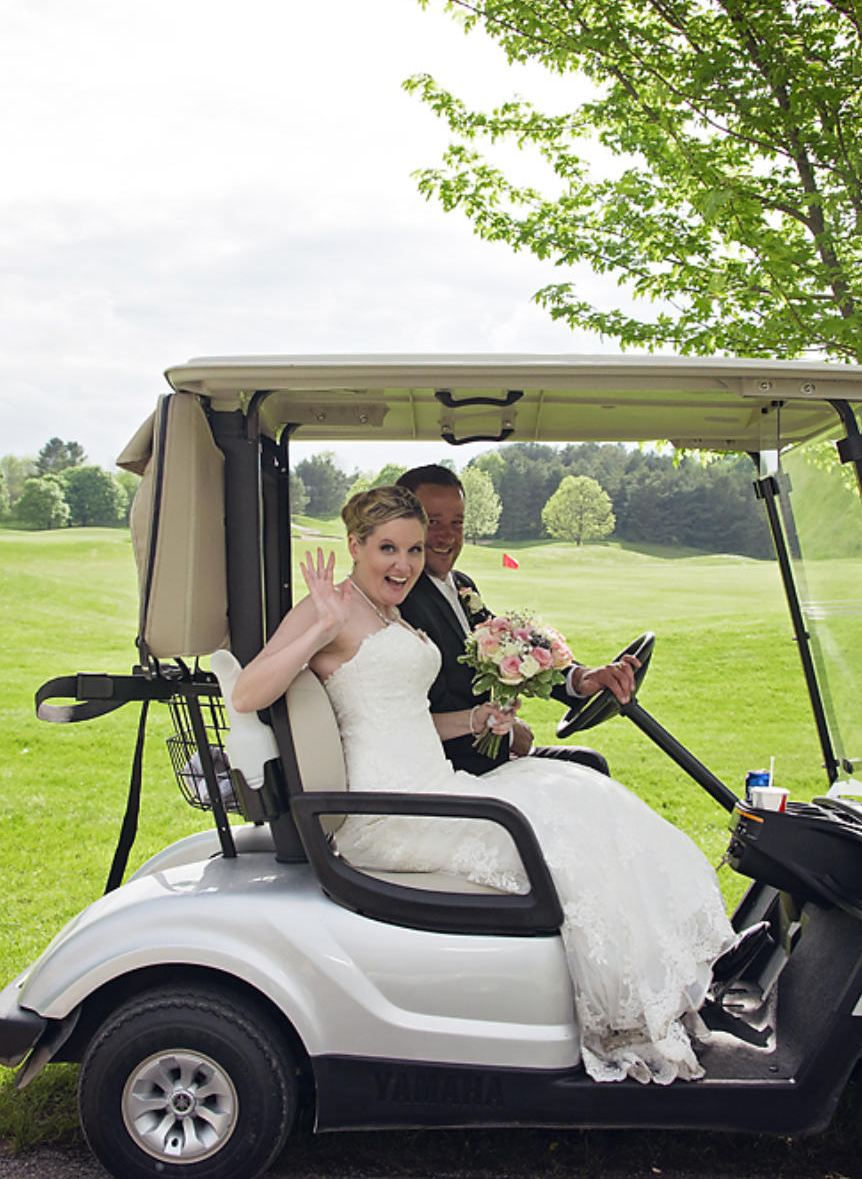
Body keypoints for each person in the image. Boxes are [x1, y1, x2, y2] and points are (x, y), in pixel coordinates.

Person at [231, 486, 735, 1084]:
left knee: (583, 793)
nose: (405, 563)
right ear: (355, 546)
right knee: (564, 833)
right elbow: (246, 693)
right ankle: (625, 1014)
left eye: (414, 549)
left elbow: (404, 719)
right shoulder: (329, 609)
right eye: (388, 548)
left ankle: (657, 995)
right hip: (392, 814)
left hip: (433, 784)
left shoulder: (393, 611)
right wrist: (319, 628)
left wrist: (475, 721)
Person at [395, 464, 641, 777]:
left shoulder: (460, 584)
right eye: (433, 522)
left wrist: (580, 679)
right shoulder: (405, 602)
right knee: (589, 771)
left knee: (590, 763)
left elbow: (517, 648)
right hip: (457, 771)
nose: (447, 535)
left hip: (491, 754)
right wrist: (509, 734)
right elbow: (430, 709)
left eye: (457, 522)